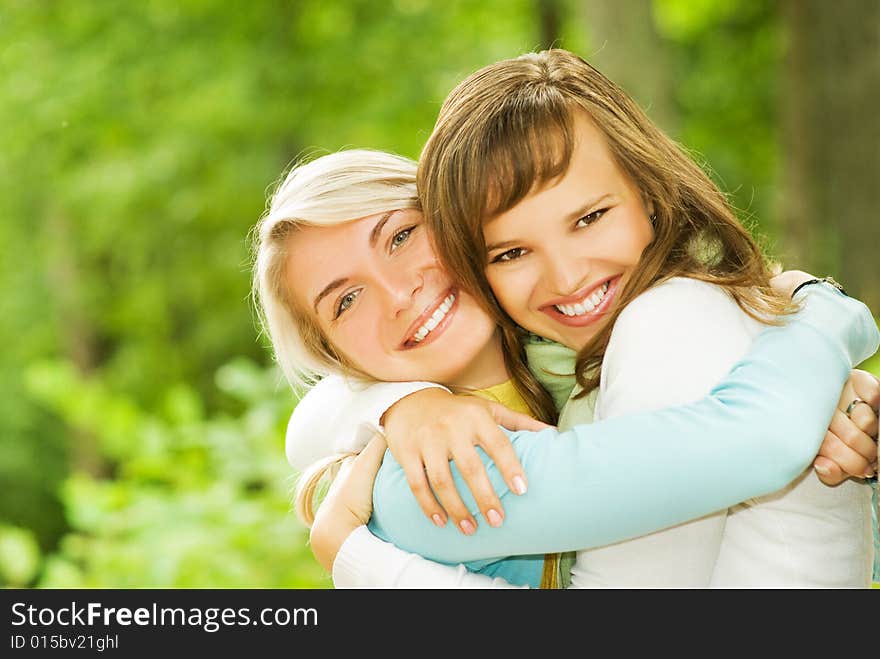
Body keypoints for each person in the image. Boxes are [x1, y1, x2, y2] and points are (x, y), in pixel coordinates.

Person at [251, 145, 879, 588]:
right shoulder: (412, 477)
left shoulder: (568, 354)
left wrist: (820, 395)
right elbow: (758, 439)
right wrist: (817, 314)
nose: (397, 292)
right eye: (347, 300)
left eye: (400, 236)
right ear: (336, 358)